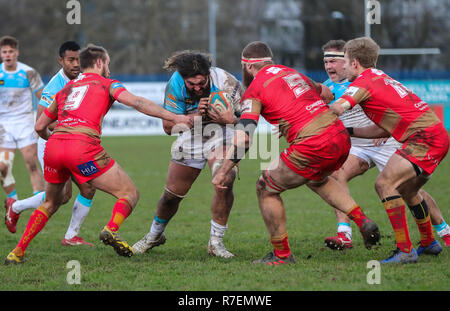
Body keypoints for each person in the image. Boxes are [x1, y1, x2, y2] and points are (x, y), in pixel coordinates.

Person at [4, 44, 192, 264]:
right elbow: (138, 102)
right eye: (108, 64)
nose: (109, 69)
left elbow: (39, 127)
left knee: (51, 203)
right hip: (82, 147)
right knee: (129, 193)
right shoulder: (107, 84)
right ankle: (111, 229)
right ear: (100, 63)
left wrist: (58, 142)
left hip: (55, 146)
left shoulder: (66, 89)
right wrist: (175, 118)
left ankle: (17, 252)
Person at [212, 41, 380, 265]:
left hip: (312, 142)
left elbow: (244, 137)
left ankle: (282, 256)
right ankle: (362, 220)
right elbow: (328, 94)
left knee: (265, 187)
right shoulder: (292, 72)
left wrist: (224, 171)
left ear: (247, 66)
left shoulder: (254, 90)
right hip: (339, 135)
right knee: (317, 179)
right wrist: (294, 115)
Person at [329, 37, 449, 264]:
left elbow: (338, 107)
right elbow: (381, 130)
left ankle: (405, 250)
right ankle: (428, 242)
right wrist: (348, 131)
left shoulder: (361, 83)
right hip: (435, 134)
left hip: (424, 138)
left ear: (354, 62)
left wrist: (308, 116)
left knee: (384, 184)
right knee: (408, 190)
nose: (342, 66)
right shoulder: (379, 77)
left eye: (344, 60)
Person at [132, 50, 243, 258]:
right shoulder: (175, 83)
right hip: (192, 135)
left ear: (208, 74)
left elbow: (248, 119)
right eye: (192, 85)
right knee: (171, 196)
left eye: (201, 83)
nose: (197, 88)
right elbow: (168, 127)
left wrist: (228, 118)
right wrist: (198, 116)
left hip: (222, 134)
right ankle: (154, 235)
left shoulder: (226, 82)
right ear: (184, 79)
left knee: (224, 180)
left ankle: (216, 242)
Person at [4, 41, 97, 246]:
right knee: (79, 190)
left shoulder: (82, 78)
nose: (75, 64)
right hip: (52, 144)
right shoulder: (55, 86)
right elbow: (42, 121)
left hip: (71, 143)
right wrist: (75, 126)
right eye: (71, 60)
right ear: (61, 60)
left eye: (78, 59)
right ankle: (69, 236)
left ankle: (17, 207)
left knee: (65, 196)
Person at [0, 35, 44, 207]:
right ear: (1, 54)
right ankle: (14, 203)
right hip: (4, 127)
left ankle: (40, 207)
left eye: (11, 51)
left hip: (25, 125)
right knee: (3, 167)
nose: (8, 55)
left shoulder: (29, 73)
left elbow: (44, 98)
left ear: (17, 52)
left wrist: (46, 120)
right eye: (4, 52)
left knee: (32, 165)